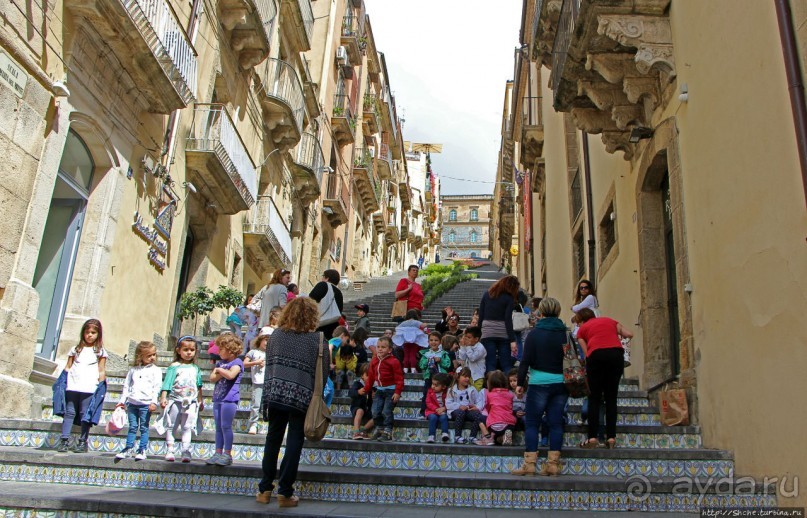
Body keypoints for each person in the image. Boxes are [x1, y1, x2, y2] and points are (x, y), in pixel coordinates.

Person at [257, 297, 330, 508]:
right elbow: (323, 374)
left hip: (275, 393)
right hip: (301, 396)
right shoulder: (318, 340)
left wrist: (270, 392)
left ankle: (264, 489)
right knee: (294, 442)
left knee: (273, 439)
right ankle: (285, 492)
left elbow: (270, 365)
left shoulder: (276, 335)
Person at [512, 297, 570, 477]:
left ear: (541, 312)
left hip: (538, 383)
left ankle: (530, 464)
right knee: (555, 423)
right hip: (561, 383)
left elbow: (525, 362)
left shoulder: (534, 334)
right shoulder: (565, 333)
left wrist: (520, 384)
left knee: (532, 423)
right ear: (558, 312)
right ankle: (553, 465)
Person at [575, 308, 633, 450]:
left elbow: (587, 353)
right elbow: (629, 334)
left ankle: (592, 437)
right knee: (611, 398)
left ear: (582, 321)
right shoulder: (610, 321)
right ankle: (611, 438)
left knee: (594, 398)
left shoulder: (582, 330)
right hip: (616, 356)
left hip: (596, 357)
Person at [55, 318, 107, 453]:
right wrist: (61, 382)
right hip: (73, 385)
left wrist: (101, 386)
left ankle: (83, 441)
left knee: (85, 414)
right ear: (83, 333)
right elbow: (68, 366)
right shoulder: (75, 349)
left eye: (93, 332)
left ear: (98, 335)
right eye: (87, 332)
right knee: (69, 412)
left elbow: (101, 370)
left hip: (89, 387)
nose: (89, 335)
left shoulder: (100, 352)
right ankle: (64, 440)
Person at [158, 336, 204, 463]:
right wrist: (163, 397)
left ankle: (185, 450)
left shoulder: (196, 368)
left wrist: (200, 400)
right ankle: (170, 449)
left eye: (192, 350)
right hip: (175, 401)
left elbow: (199, 385)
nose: (189, 352)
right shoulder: (174, 367)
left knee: (187, 426)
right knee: (172, 425)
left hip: (191, 402)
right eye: (186, 350)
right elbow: (167, 383)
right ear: (178, 350)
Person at [114, 341, 161, 460]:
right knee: (133, 426)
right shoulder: (133, 370)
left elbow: (157, 387)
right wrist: (122, 401)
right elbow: (127, 386)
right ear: (140, 356)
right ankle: (128, 448)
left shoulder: (156, 370)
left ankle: (142, 449)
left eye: (154, 355)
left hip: (146, 404)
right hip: (132, 403)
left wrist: (154, 401)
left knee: (144, 427)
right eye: (149, 355)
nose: (152, 358)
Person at [207, 333, 244, 467]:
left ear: (231, 349)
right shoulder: (220, 363)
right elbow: (212, 378)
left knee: (226, 426)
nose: (218, 351)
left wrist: (219, 370)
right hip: (218, 398)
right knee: (218, 427)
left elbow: (230, 375)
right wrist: (219, 369)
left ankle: (227, 454)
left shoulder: (237, 362)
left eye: (221, 349)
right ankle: (218, 452)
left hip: (229, 400)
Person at [478, 275, 520, 374]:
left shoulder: (486, 295)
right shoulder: (509, 298)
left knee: (490, 363)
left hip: (487, 332)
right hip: (503, 333)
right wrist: (512, 339)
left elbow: (481, 316)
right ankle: (507, 385)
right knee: (506, 364)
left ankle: (491, 386)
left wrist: (478, 334)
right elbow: (508, 320)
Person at [365, 336, 404, 442]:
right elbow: (371, 377)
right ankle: (379, 428)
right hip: (380, 389)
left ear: (390, 350)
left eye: (383, 347)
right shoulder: (374, 361)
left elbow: (399, 378)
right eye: (378, 347)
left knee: (386, 411)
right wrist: (366, 389)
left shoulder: (394, 361)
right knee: (375, 411)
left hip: (391, 391)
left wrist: (397, 392)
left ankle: (387, 431)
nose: (380, 349)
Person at [473, 370, 515, 446]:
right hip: (508, 425)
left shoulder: (489, 395)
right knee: (513, 418)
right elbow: (511, 407)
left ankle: (488, 437)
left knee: (480, 419)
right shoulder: (510, 394)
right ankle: (504, 436)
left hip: (493, 426)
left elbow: (488, 408)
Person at [446, 367, 486, 444]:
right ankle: (457, 436)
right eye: (465, 376)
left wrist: (476, 407)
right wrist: (459, 406)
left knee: (478, 415)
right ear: (458, 377)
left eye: (468, 377)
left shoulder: (472, 389)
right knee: (461, 412)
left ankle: (472, 436)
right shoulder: (451, 390)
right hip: (456, 411)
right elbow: (448, 403)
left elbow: (479, 401)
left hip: (468, 410)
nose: (467, 379)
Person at [418, 331, 452, 415]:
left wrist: (440, 360)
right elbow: (421, 365)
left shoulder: (443, 353)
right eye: (431, 340)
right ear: (428, 342)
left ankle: (445, 410)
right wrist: (427, 361)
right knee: (426, 393)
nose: (433, 342)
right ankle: (423, 412)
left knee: (444, 394)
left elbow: (448, 364)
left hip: (441, 377)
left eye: (436, 340)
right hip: (429, 377)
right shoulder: (425, 354)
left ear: (440, 342)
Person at [244, 334, 268, 435]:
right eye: (266, 340)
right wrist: (256, 362)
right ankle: (253, 423)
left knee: (267, 405)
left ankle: (265, 425)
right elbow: (244, 364)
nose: (267, 343)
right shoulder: (253, 352)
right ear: (260, 340)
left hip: (269, 382)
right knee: (256, 404)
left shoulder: (272, 354)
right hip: (258, 381)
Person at [309, 269, 344, 339]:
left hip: (319, 326)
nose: (322, 278)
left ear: (327, 278)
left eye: (323, 276)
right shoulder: (339, 293)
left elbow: (310, 301)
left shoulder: (323, 285)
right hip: (332, 328)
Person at [392, 309, 429, 373]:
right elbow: (425, 326)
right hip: (414, 342)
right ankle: (413, 368)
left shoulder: (403, 323)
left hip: (405, 342)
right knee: (412, 354)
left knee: (406, 355)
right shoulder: (417, 322)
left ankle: (405, 369)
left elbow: (397, 329)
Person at [424, 372, 452, 443]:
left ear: (443, 387)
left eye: (436, 385)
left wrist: (444, 408)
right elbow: (428, 402)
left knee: (444, 417)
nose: (433, 386)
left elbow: (449, 402)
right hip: (431, 411)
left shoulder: (447, 393)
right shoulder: (430, 392)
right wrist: (436, 409)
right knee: (433, 418)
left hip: (442, 411)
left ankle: (445, 433)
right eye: (432, 384)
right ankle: (431, 435)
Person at [349, 363, 374, 440]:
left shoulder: (374, 387)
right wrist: (358, 392)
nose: (370, 378)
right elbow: (350, 393)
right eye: (367, 375)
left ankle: (363, 430)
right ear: (362, 376)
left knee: (378, 415)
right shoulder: (358, 384)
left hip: (368, 409)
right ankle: (356, 432)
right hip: (357, 407)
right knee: (360, 411)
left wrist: (374, 396)